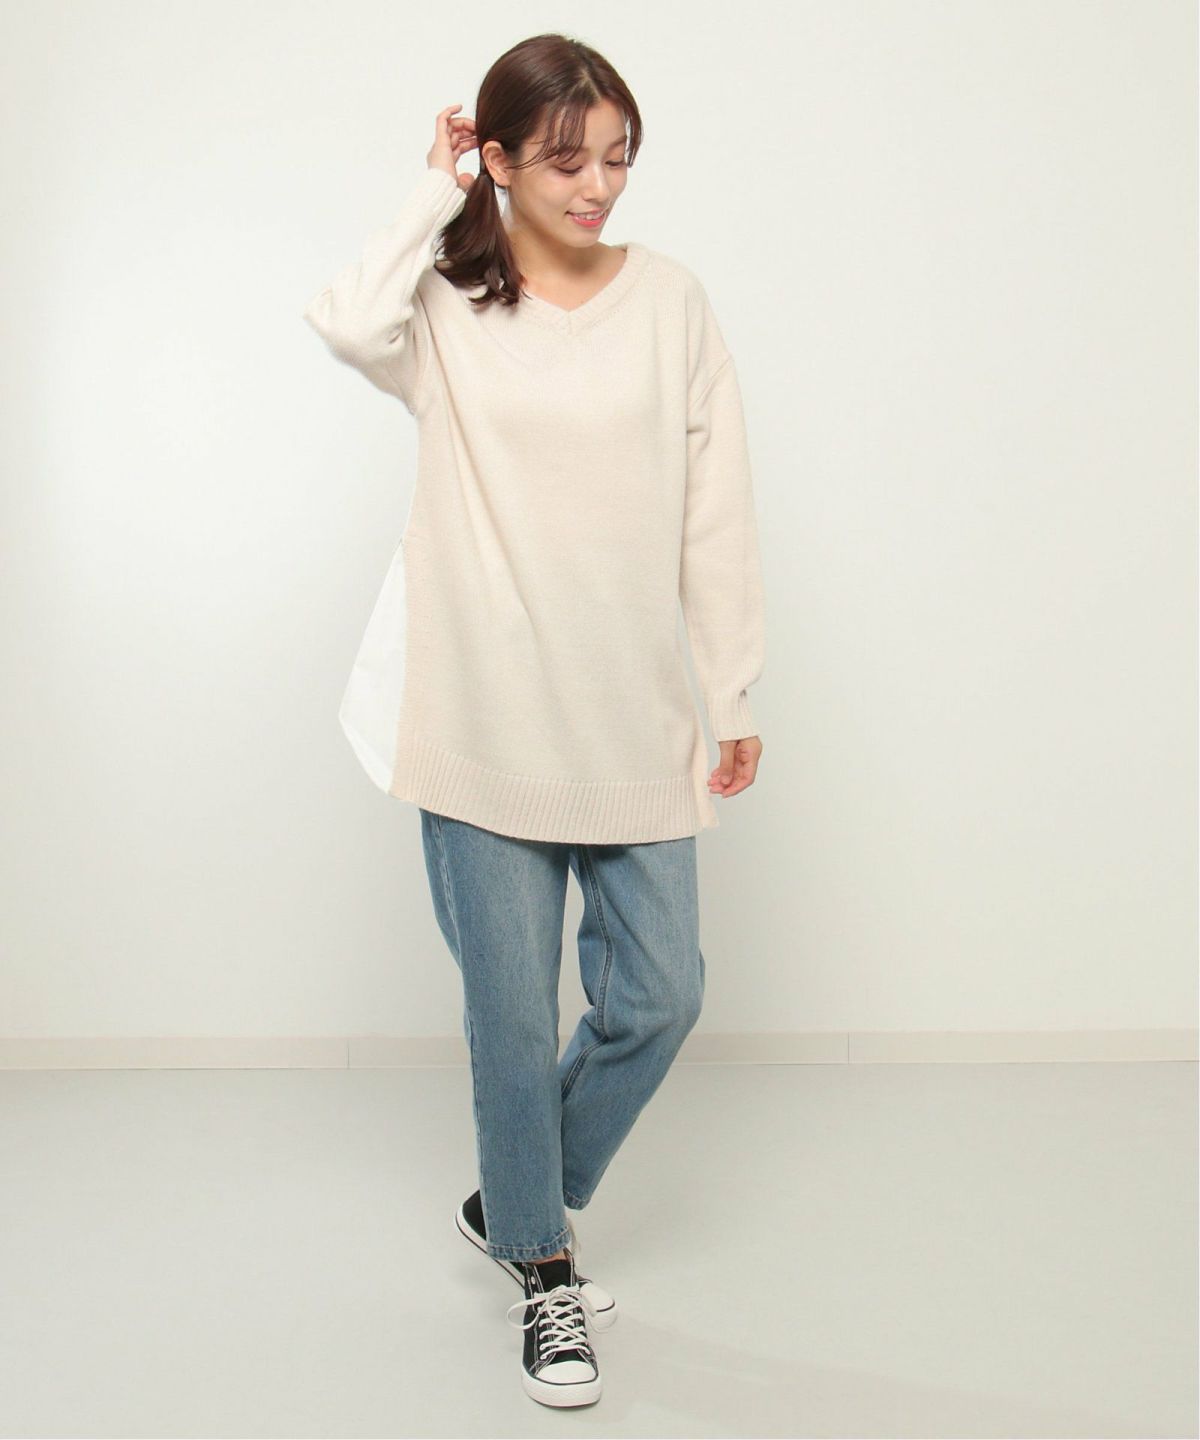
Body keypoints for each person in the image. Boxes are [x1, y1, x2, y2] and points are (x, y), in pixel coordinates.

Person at [302, 32, 766, 1410]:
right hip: (482, 710)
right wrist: (433, 187)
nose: (598, 187)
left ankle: (514, 1205)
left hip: (630, 712)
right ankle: (545, 1268)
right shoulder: (447, 311)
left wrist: (730, 685)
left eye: (617, 157)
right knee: (510, 1020)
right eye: (564, 161)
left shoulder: (672, 304)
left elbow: (717, 509)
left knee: (661, 996)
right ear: (499, 161)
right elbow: (346, 320)